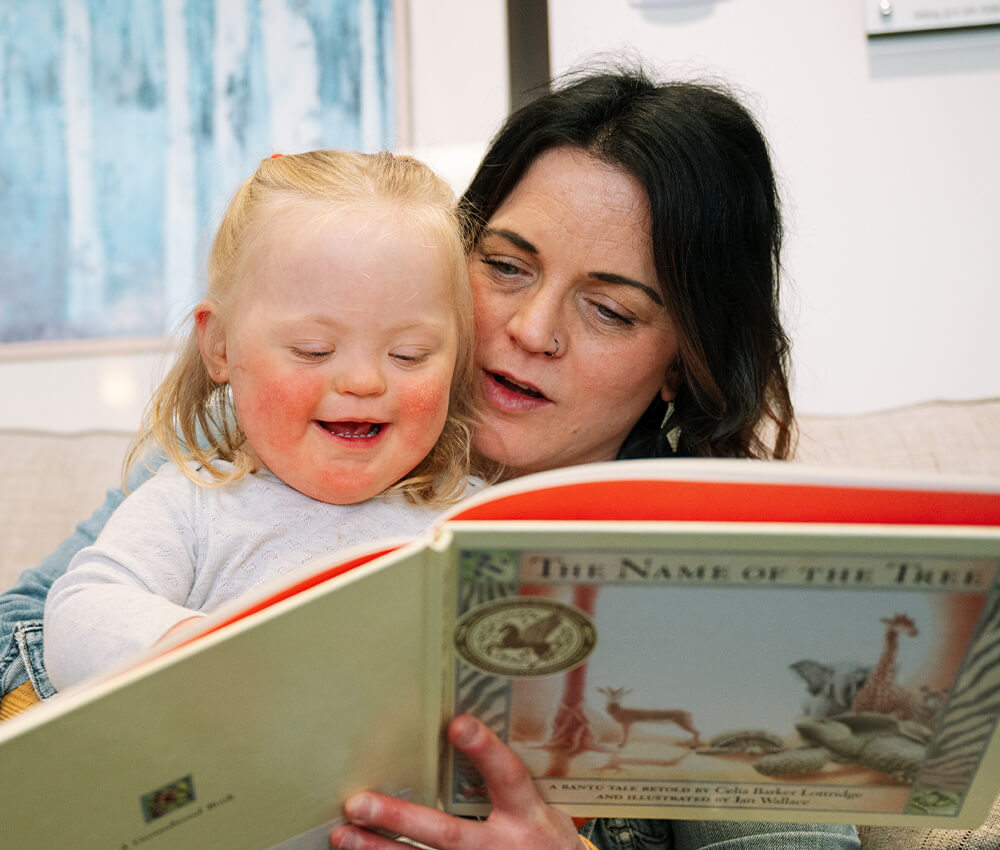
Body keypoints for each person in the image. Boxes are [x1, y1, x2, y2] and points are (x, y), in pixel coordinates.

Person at [0, 66, 860, 850]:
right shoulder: (244, 463)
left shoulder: (725, 593)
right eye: (506, 266)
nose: (531, 331)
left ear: (683, 359)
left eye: (609, 310)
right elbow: (38, 636)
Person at [43, 149, 478, 689]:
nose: (364, 382)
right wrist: (204, 654)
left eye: (409, 354)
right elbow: (80, 610)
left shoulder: (474, 519)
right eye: (313, 349)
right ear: (220, 346)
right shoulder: (195, 505)